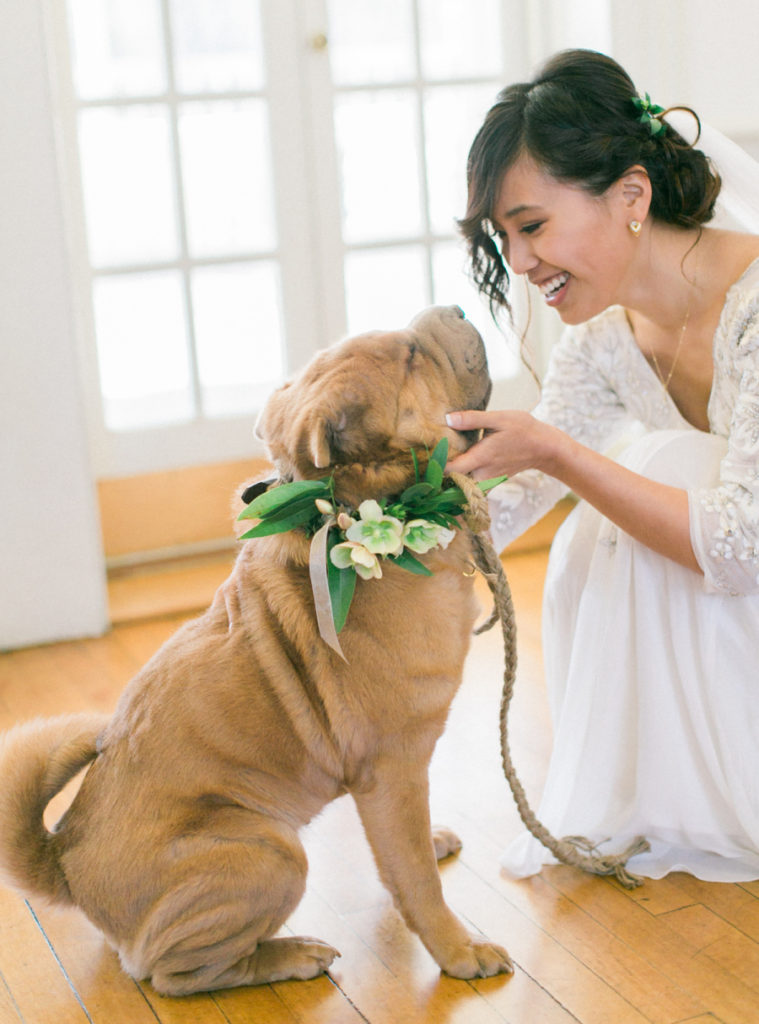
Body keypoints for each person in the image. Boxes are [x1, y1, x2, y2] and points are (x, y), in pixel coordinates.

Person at [446, 49, 759, 882]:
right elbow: (510, 502)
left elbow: (740, 547)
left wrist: (559, 452)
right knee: (627, 491)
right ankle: (680, 793)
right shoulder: (602, 342)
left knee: (658, 465)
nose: (516, 263)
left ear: (629, 196)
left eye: (532, 225)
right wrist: (383, 522)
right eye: (500, 237)